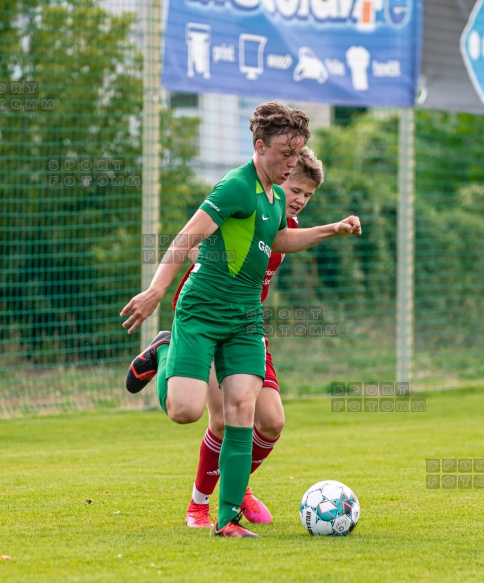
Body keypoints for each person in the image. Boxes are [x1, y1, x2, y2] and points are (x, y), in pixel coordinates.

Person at [120, 101, 361, 538]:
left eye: (298, 154)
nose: (293, 164)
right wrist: (156, 289)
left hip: (247, 318)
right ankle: (167, 348)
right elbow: (185, 238)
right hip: (203, 311)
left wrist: (331, 229)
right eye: (286, 155)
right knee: (186, 411)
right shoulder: (235, 186)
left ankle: (227, 519)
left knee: (242, 412)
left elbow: (280, 238)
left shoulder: (273, 197)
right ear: (260, 146)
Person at [182, 147, 324, 528]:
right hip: (207, 320)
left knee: (272, 421)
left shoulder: (283, 227)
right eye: (295, 189)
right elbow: (197, 239)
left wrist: (333, 229)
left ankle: (237, 481)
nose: (299, 200)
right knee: (223, 421)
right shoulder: (245, 199)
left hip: (247, 325)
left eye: (308, 195)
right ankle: (198, 506)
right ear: (278, 177)